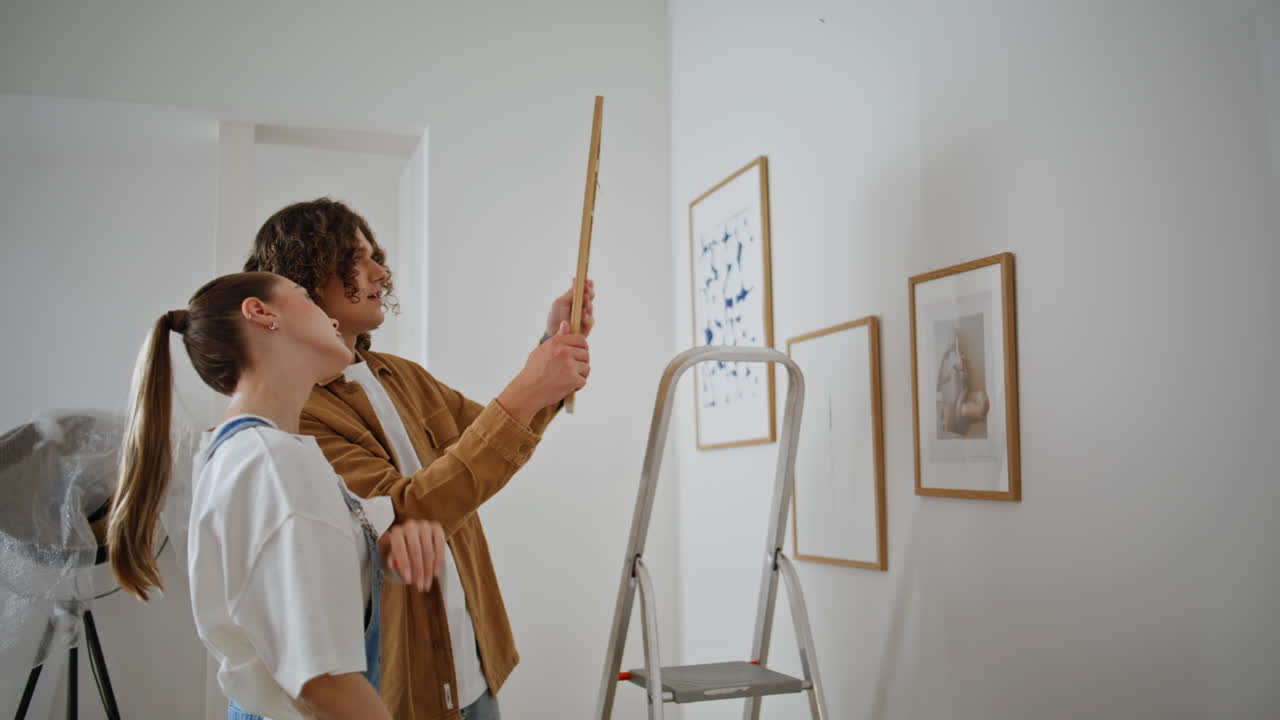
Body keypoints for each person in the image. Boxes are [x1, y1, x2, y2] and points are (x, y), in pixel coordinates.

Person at [245, 198, 593, 719]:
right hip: (406, 689)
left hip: (475, 663)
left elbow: (494, 438)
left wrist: (553, 345)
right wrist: (531, 385)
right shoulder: (298, 410)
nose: (381, 272)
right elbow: (402, 511)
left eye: (375, 256)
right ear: (308, 276)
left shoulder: (400, 375)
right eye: (357, 260)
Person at [107, 271, 450, 720]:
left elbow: (297, 575)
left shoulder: (258, 452)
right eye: (306, 297)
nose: (329, 314)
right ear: (260, 313)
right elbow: (323, 682)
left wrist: (386, 554)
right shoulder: (270, 461)